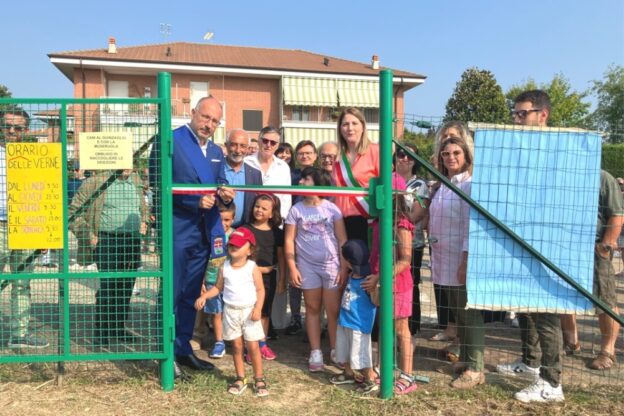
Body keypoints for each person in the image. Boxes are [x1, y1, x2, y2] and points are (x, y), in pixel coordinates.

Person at [150, 96, 235, 373]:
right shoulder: (170, 140)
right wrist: (192, 202)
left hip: (204, 231)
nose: (208, 124)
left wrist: (224, 194)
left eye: (215, 121)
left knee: (190, 294)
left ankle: (184, 348)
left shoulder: (216, 151)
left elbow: (220, 180)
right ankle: (165, 352)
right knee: (172, 290)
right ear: (193, 112)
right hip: (178, 227)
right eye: (205, 117)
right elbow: (157, 184)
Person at [496, 90, 565, 403]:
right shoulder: (518, 151)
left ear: (543, 115)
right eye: (515, 113)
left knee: (546, 313)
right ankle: (531, 364)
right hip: (520, 240)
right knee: (525, 308)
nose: (516, 119)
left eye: (522, 113)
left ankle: (552, 384)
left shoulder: (560, 151)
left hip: (549, 242)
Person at [414, 137, 485, 389]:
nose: (451, 157)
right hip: (443, 257)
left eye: (456, 152)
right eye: (445, 153)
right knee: (458, 313)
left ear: (466, 155)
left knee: (469, 313)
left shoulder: (470, 185)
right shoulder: (443, 185)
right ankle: (467, 359)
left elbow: (471, 227)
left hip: (459, 257)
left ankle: (476, 368)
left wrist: (466, 259)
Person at [69, 169, 149, 346]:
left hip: (132, 240)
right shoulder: (96, 182)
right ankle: (102, 331)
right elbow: (72, 212)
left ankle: (118, 328)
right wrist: (88, 235)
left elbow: (143, 208)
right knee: (108, 286)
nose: (128, 166)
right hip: (106, 240)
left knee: (126, 286)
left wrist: (144, 221)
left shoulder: (135, 180)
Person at [284, 167, 348, 372]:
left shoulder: (332, 209)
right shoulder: (296, 210)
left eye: (306, 179)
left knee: (333, 310)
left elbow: (342, 239)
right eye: (301, 179)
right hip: (307, 266)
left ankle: (336, 349)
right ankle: (316, 351)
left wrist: (343, 266)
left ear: (318, 182)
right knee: (312, 308)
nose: (301, 182)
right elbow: (289, 240)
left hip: (331, 266)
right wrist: (292, 267)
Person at [194, 227, 268, 397]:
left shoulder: (252, 267)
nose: (234, 247)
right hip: (230, 312)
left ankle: (259, 378)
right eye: (232, 245)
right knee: (236, 346)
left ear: (250, 250)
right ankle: (240, 377)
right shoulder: (224, 267)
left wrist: (258, 309)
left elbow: (260, 290)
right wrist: (205, 295)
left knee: (253, 347)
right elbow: (218, 288)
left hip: (249, 312)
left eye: (239, 245)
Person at [364, 173, 418, 395]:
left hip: (398, 284)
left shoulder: (401, 223)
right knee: (384, 326)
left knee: (400, 329)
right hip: (383, 283)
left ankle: (407, 375)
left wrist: (379, 277)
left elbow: (405, 260)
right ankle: (382, 367)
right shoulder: (379, 220)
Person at [0, 109, 48, 348]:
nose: (11, 131)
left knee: (22, 281)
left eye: (17, 128)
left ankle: (19, 334)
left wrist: (45, 230)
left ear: (26, 131)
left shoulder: (33, 157)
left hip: (25, 224)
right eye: (7, 126)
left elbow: (45, 192)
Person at [330, 239, 378, 395]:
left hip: (359, 324)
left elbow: (376, 302)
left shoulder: (368, 280)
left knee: (361, 354)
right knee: (345, 350)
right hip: (345, 320)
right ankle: (349, 373)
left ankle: (369, 378)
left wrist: (375, 290)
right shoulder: (352, 275)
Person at [394, 145, 430, 336]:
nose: (405, 159)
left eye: (410, 156)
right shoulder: (388, 178)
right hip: (386, 242)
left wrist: (395, 216)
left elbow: (416, 215)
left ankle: (412, 328)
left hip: (411, 242)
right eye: (401, 154)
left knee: (410, 284)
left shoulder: (420, 185)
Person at [246, 193, 286, 360]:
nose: (259, 210)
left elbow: (281, 257)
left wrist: (283, 279)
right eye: (257, 206)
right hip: (247, 279)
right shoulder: (245, 229)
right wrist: (257, 270)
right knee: (249, 312)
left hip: (269, 279)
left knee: (264, 312)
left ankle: (262, 344)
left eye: (264, 208)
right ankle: (250, 347)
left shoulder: (277, 233)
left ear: (272, 213)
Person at [285, 140, 319, 336]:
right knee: (295, 277)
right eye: (301, 153)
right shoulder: (292, 176)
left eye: (308, 153)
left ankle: (314, 321)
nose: (305, 156)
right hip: (294, 229)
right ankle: (296, 317)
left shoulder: (321, 176)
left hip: (315, 232)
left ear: (315, 155)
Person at [194, 203, 236, 358]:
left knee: (230, 312)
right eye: (219, 220)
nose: (223, 224)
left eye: (226, 220)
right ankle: (219, 342)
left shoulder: (235, 236)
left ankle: (233, 340)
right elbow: (201, 261)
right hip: (211, 282)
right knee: (216, 313)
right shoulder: (208, 236)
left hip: (230, 285)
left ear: (233, 219)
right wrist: (202, 282)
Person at [332, 108, 379, 241]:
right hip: (340, 220)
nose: (349, 128)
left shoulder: (375, 151)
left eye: (354, 123)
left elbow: (386, 186)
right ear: (340, 129)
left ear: (363, 127)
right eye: (345, 124)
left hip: (365, 219)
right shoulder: (338, 157)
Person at [223, 129, 262, 228]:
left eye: (243, 146)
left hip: (244, 230)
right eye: (233, 145)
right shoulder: (214, 169)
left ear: (248, 148)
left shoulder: (255, 174)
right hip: (218, 229)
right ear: (226, 145)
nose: (238, 150)